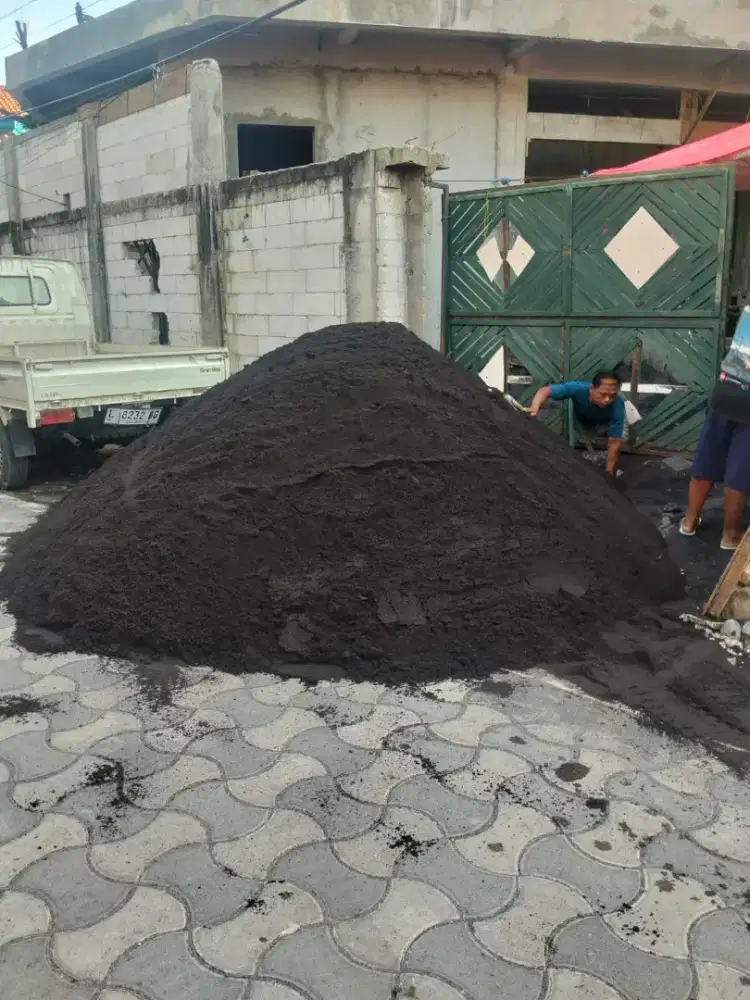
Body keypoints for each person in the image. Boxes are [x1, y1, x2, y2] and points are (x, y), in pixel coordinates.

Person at [529, 371, 626, 476]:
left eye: (612, 395)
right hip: (585, 417)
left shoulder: (618, 404)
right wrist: (535, 407)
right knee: (588, 444)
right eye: (603, 394)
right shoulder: (578, 388)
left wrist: (609, 474)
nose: (607, 400)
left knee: (617, 444)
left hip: (608, 420)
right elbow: (544, 391)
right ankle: (598, 458)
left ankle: (611, 468)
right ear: (592, 389)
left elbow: (614, 443)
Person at [680, 408, 750, 550]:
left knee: (709, 453)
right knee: (741, 462)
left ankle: (690, 521)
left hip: (726, 394)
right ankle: (730, 535)